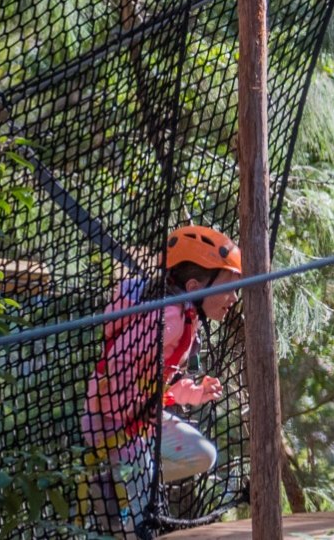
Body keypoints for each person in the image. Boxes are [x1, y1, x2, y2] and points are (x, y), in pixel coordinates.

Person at [81, 225, 243, 533]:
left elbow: (159, 379)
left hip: (138, 422)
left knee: (203, 455)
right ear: (195, 287)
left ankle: (125, 479)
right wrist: (128, 419)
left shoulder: (185, 317)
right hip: (113, 426)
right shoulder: (169, 318)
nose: (234, 298)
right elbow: (120, 361)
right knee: (137, 524)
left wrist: (194, 392)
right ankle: (119, 479)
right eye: (229, 288)